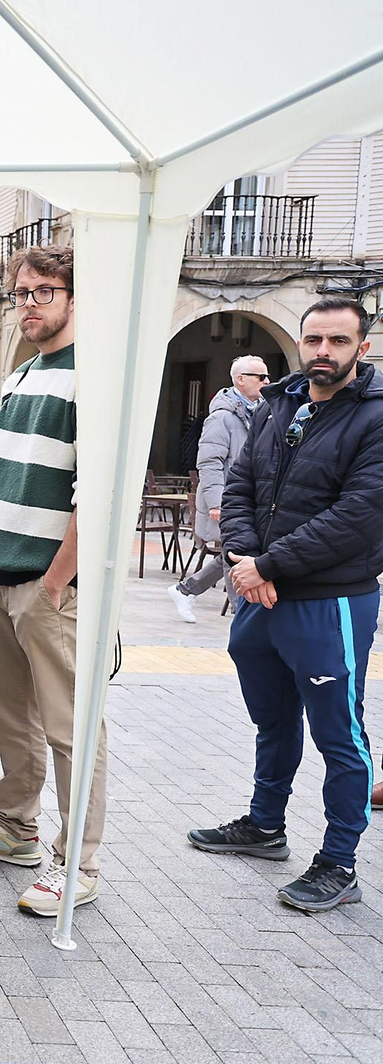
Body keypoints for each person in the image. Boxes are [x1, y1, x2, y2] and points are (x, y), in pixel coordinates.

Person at [188, 297, 379, 913]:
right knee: (272, 718)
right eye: (314, 340)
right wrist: (245, 561)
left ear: (362, 348)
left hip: (329, 602)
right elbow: (241, 483)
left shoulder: (375, 419)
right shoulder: (282, 405)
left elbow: (357, 515)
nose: (323, 351)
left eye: (338, 342)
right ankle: (266, 826)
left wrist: (268, 567)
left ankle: (339, 863)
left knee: (338, 734)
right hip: (260, 597)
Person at [0, 245, 104, 920]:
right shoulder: (23, 373)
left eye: (43, 291)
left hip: (46, 585)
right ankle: (16, 828)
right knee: (14, 716)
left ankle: (78, 862)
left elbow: (95, 491)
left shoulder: (91, 376)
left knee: (71, 729)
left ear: (73, 297)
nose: (29, 303)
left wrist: (57, 583)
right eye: (21, 292)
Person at [168, 355, 268, 623]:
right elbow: (209, 462)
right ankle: (241, 613)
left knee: (231, 551)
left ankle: (185, 590)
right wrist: (216, 502)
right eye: (261, 377)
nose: (267, 382)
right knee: (234, 552)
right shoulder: (222, 417)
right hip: (228, 498)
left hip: (248, 498)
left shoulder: (259, 411)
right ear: (241, 379)